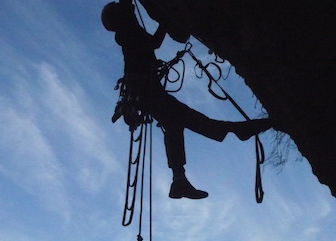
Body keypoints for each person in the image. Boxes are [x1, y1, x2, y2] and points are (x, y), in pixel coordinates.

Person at [102, 0, 272, 199]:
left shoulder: (129, 31)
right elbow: (145, 34)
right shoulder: (126, 31)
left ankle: (182, 177)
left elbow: (152, 44)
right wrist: (163, 21)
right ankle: (234, 132)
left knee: (177, 122)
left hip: (147, 93)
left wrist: (164, 24)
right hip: (146, 93)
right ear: (120, 15)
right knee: (180, 121)